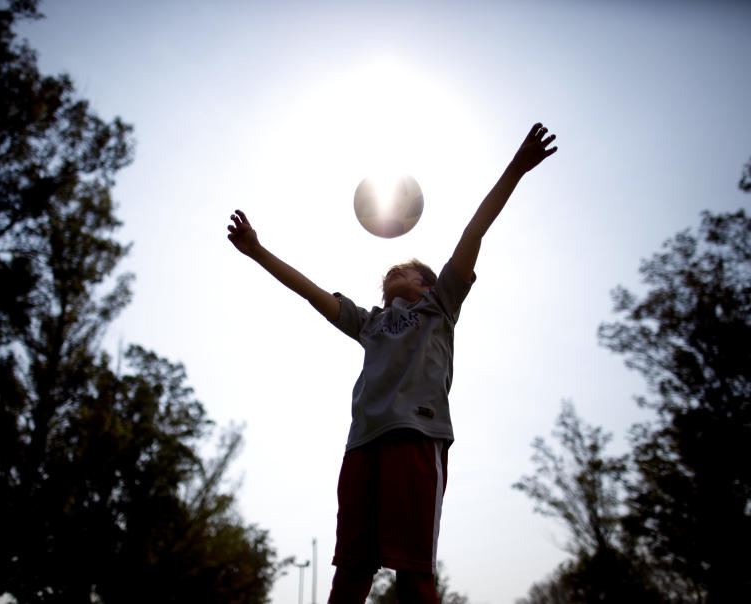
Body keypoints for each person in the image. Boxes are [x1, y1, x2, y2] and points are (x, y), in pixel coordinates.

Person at [227, 123, 557, 603]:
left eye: (405, 269)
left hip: (416, 439)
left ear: (427, 282)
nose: (393, 272)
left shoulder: (440, 305)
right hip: (362, 445)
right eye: (389, 273)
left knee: (413, 573)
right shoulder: (369, 323)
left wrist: (516, 168)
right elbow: (310, 291)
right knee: (351, 573)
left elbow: (474, 230)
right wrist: (257, 251)